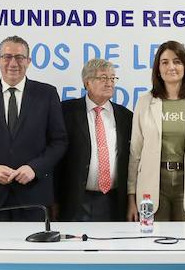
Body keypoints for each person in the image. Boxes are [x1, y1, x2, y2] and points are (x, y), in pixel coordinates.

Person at [0, 36, 67, 221]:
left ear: (28, 61)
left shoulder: (47, 94)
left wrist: (34, 168)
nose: (13, 63)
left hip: (34, 196)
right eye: (7, 56)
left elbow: (59, 141)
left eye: (19, 57)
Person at [127, 42, 185, 222]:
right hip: (152, 186)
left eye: (177, 61)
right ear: (158, 69)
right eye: (165, 62)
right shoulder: (144, 102)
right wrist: (131, 197)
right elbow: (135, 153)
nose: (171, 67)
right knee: (153, 238)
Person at [55, 59, 132, 222]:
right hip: (76, 200)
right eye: (103, 78)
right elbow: (56, 157)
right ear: (87, 82)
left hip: (114, 200)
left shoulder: (126, 116)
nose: (109, 83)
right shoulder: (65, 112)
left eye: (112, 78)